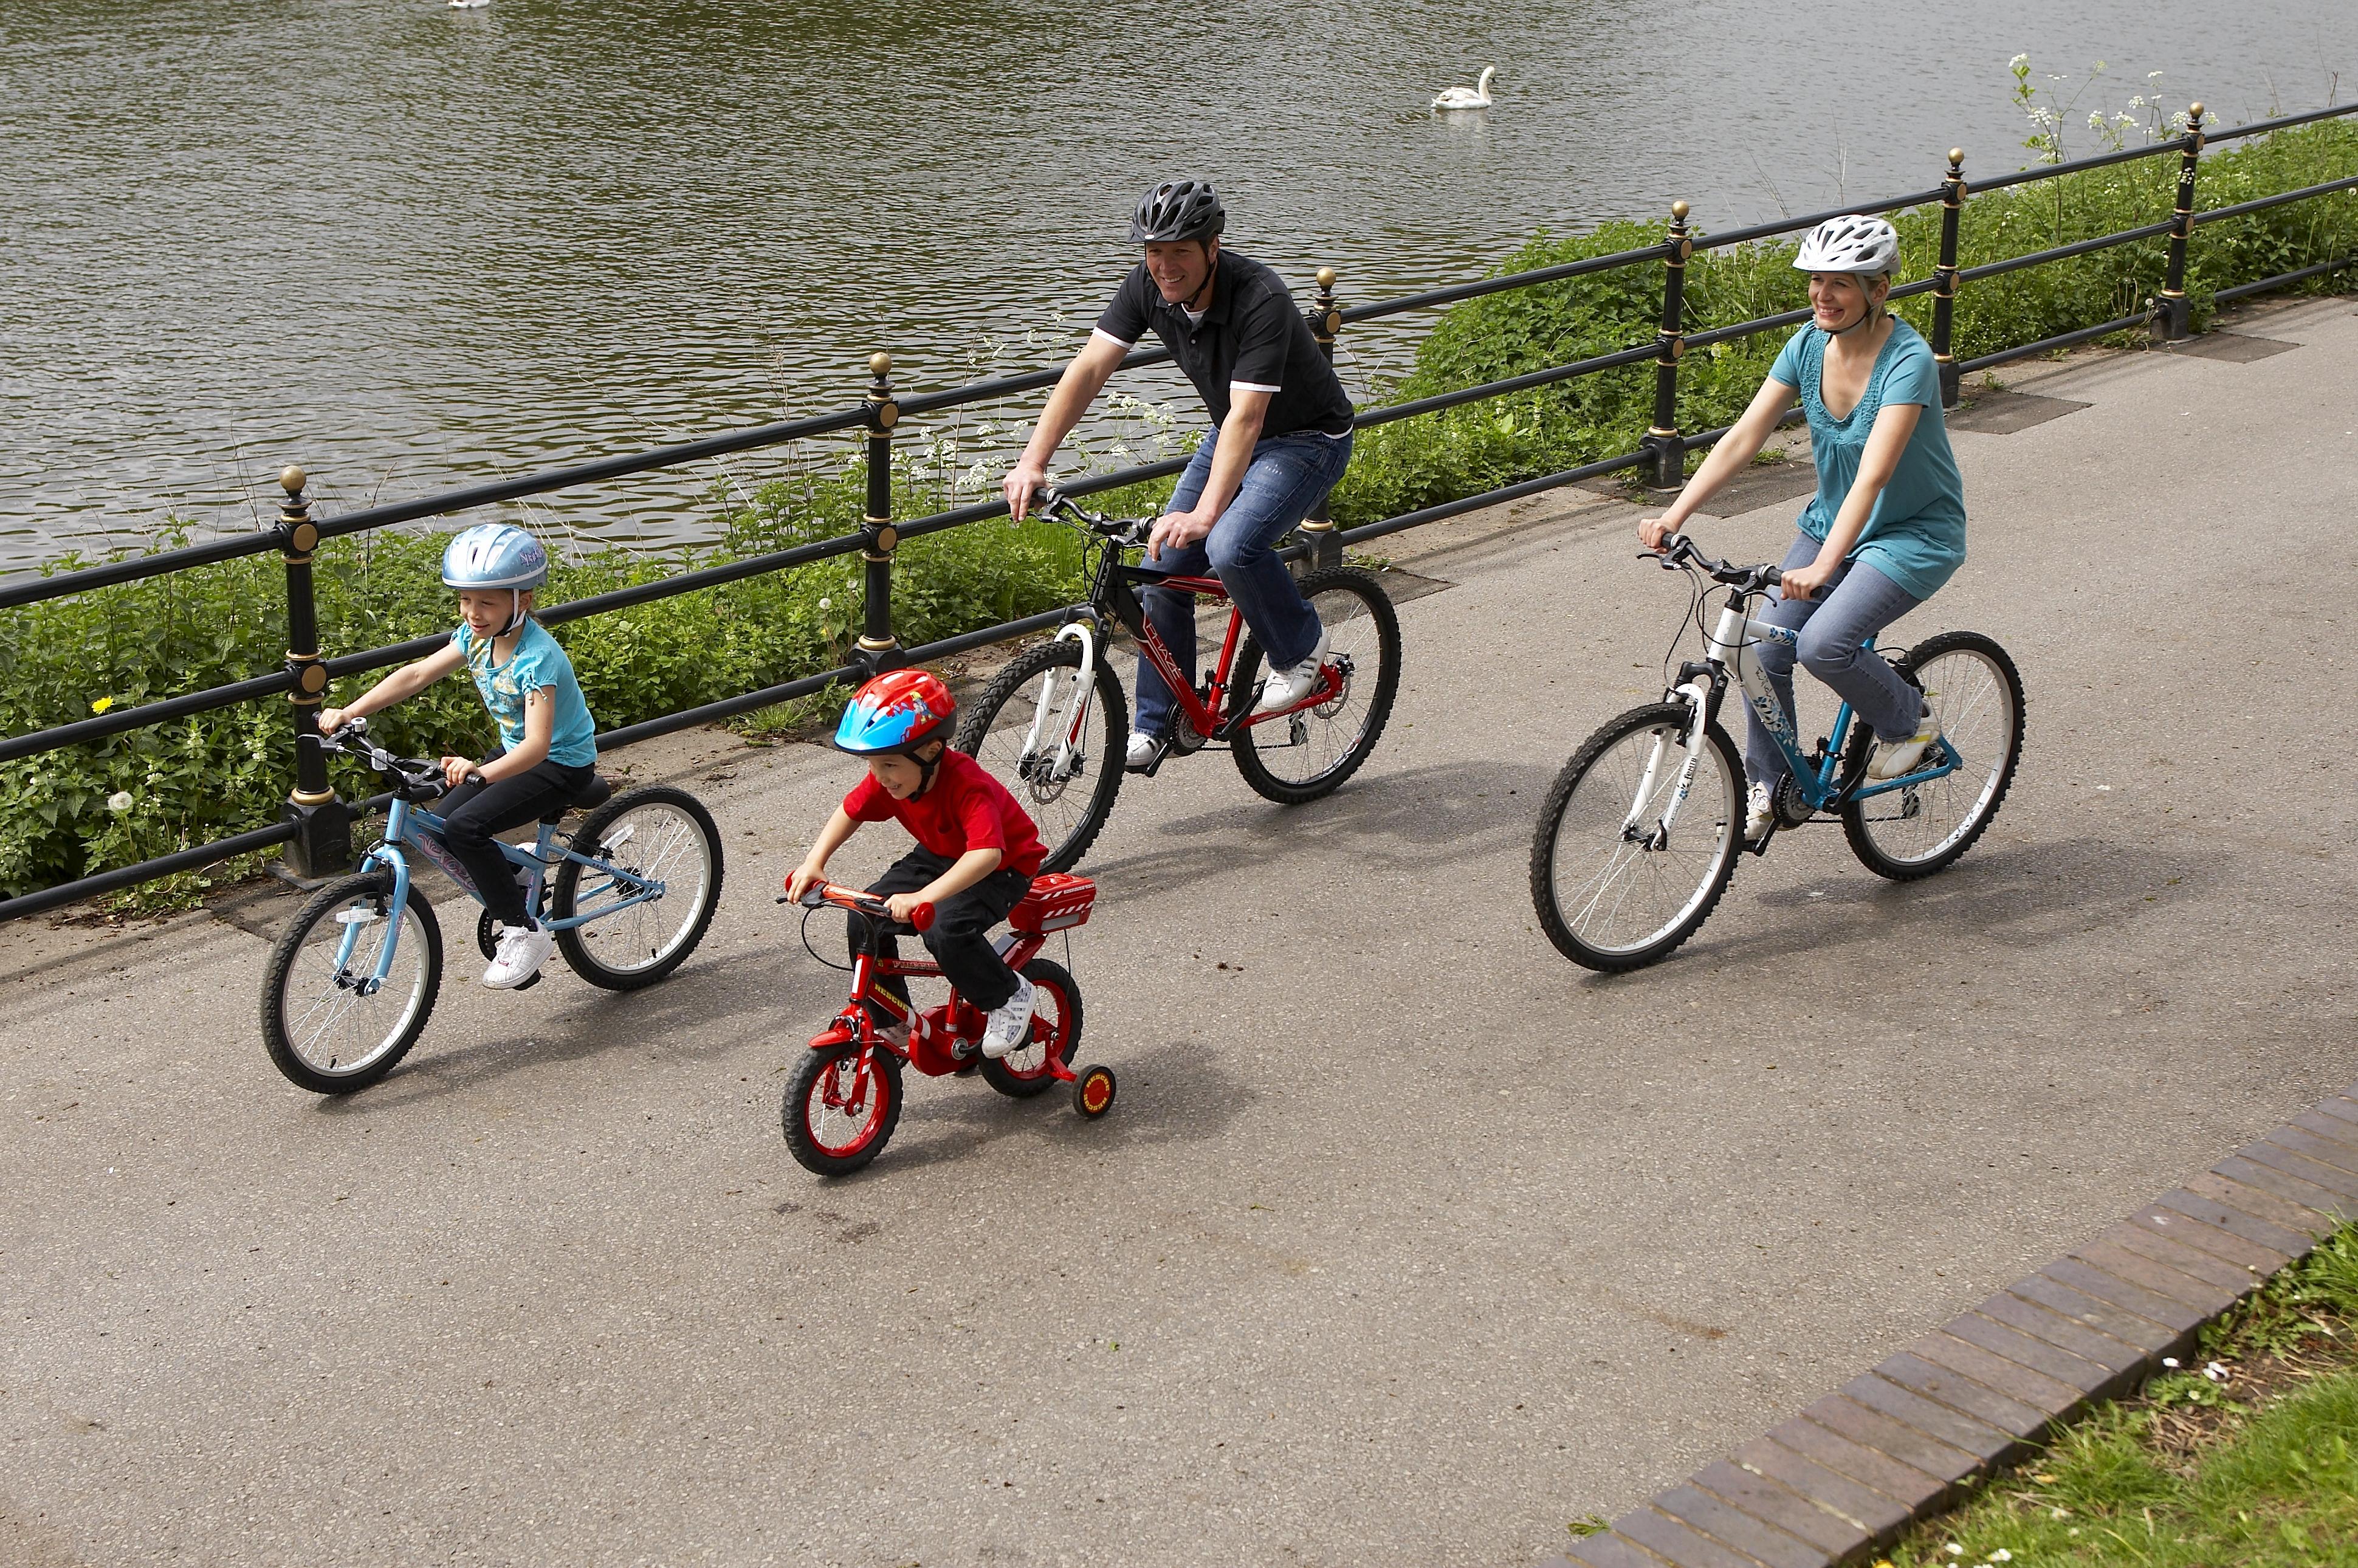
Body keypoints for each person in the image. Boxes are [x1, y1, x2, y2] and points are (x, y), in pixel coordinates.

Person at [1002, 178, 1356, 772]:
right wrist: (1032, 459)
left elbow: (1249, 416)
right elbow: (1089, 369)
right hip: (1234, 433)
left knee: (1229, 544)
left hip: (1306, 439)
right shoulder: (1148, 286)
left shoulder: (1258, 297)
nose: (1165, 267)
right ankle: (1159, 722)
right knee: (1161, 567)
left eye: (1180, 253)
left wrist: (1206, 512)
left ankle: (1301, 650)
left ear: (1212, 248)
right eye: (1153, 252)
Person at [1638, 213, 1966, 842]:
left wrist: (1822, 568)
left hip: (1909, 534)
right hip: (1830, 525)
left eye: (1841, 282)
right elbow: (1743, 437)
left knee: (1823, 645)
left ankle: (1911, 727)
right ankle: (1772, 785)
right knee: (1762, 650)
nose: (1822, 295)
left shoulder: (1909, 360)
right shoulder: (1807, 347)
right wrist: (1674, 514)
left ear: (1879, 290)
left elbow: (1873, 475)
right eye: (1816, 280)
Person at [317, 523, 600, 989]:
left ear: (522, 600)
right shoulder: (475, 638)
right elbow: (416, 675)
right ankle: (518, 877)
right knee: (440, 831)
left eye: (487, 602)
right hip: (513, 753)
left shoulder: (537, 659)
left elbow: (538, 746)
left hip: (559, 763)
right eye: (466, 600)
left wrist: (480, 772)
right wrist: (350, 710)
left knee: (468, 829)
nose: (473, 612)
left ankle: (525, 931)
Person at [786, 669, 1048, 1059]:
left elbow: (986, 855)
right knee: (864, 915)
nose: (880, 777)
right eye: (872, 765)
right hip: (940, 854)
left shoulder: (967, 785)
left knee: (946, 928)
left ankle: (1009, 996)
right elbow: (850, 810)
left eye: (889, 765)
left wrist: (923, 896)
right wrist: (814, 862)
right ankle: (891, 1021)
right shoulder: (890, 779)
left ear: (931, 751)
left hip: (1003, 867)